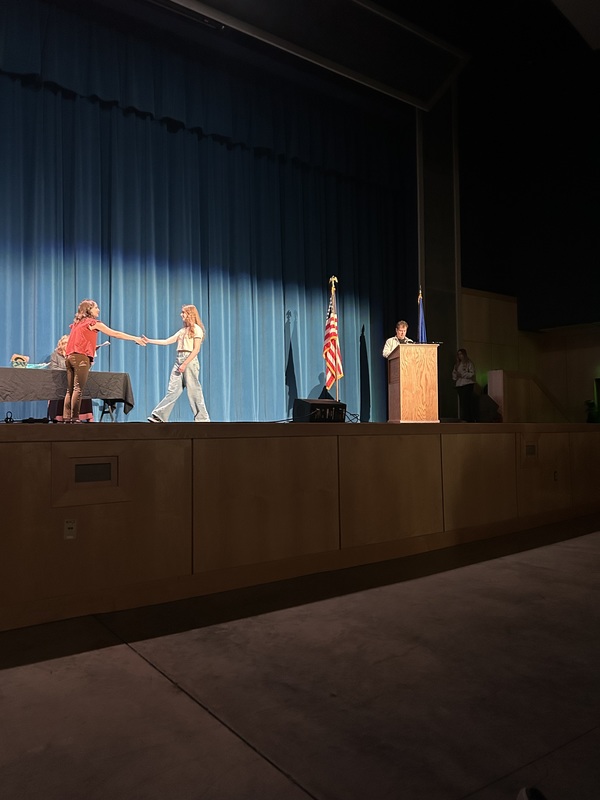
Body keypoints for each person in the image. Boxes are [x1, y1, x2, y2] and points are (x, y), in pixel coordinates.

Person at [63, 299, 145, 423]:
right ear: (89, 310)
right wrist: (135, 338)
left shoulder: (78, 324)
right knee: (78, 388)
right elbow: (115, 333)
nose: (98, 310)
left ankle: (66, 418)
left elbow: (77, 343)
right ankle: (74, 419)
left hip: (70, 358)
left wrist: (92, 348)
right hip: (80, 359)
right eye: (96, 308)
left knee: (70, 390)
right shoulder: (92, 323)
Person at [144, 304, 210, 423]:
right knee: (173, 390)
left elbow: (196, 350)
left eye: (183, 313)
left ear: (190, 314)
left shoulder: (197, 329)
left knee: (194, 390)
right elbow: (167, 341)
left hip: (189, 360)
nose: (181, 315)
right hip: (179, 359)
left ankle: (202, 419)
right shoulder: (182, 331)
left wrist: (185, 364)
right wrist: (149, 341)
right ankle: (159, 416)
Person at [48, 335, 94, 422]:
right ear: (61, 345)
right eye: (65, 343)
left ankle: (85, 416)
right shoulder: (55, 355)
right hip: (61, 384)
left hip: (75, 381)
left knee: (84, 390)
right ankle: (63, 417)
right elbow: (54, 368)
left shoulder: (76, 355)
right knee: (67, 392)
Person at [452, 348, 477, 422]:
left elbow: (472, 374)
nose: (460, 356)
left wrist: (463, 374)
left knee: (467, 402)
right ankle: (464, 417)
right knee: (462, 402)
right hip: (460, 385)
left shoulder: (469, 363)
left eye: (461, 354)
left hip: (467, 384)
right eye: (459, 354)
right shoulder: (457, 365)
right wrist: (456, 375)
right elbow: (454, 375)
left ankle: (468, 418)